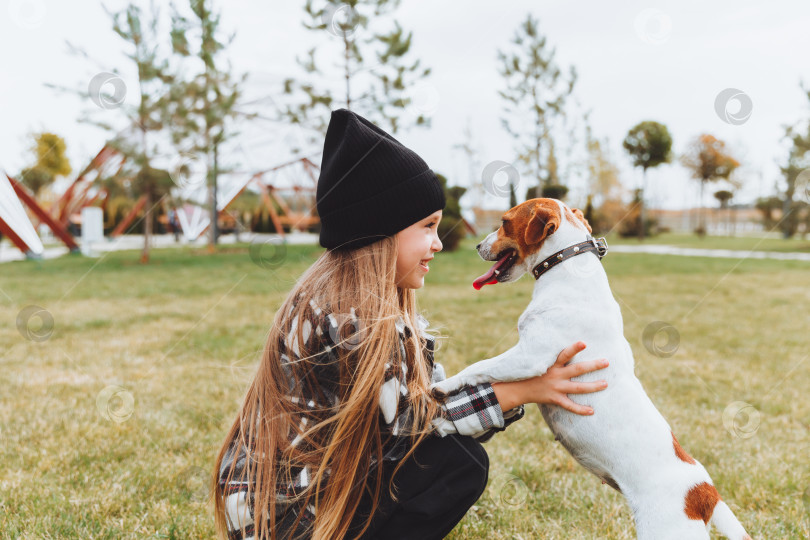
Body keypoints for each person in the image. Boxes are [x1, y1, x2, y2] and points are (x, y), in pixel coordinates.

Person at [212, 109, 610, 540]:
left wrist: (514, 388)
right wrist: (525, 389)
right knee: (456, 465)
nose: (439, 242)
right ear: (379, 231)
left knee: (451, 456)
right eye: (427, 227)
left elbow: (430, 404)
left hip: (298, 501)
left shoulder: (362, 303)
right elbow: (416, 423)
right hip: (286, 519)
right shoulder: (351, 320)